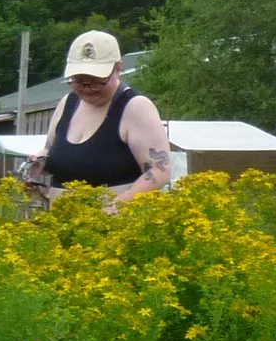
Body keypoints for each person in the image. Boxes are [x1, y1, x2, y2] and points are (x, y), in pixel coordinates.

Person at [24, 30, 171, 209]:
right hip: (61, 219)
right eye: (78, 80)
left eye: (96, 80)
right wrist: (38, 163)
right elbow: (49, 149)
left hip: (114, 222)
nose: (87, 88)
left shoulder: (136, 107)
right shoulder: (67, 103)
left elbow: (159, 172)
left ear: (118, 69)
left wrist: (113, 210)